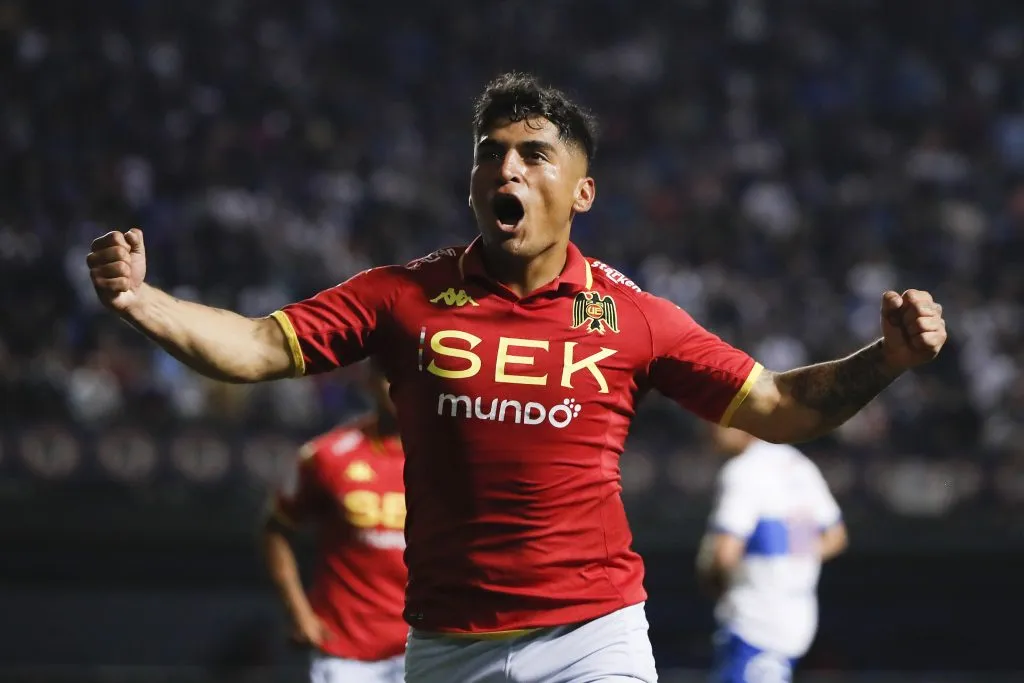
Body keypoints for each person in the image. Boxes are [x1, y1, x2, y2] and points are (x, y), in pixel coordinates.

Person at [85, 72, 947, 682]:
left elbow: (780, 405)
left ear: (582, 192)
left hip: (592, 636)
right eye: (490, 154)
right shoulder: (403, 296)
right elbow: (254, 347)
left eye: (534, 154)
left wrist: (890, 360)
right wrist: (143, 302)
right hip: (445, 646)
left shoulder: (632, 315)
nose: (507, 169)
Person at [262, 363, 407, 683]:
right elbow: (276, 530)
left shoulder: (456, 458)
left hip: (429, 647)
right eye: (389, 373)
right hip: (347, 654)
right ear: (370, 381)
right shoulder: (327, 455)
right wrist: (299, 612)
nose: (399, 384)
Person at [696, 425, 848, 683]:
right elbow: (836, 537)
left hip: (754, 618)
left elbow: (725, 553)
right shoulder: (799, 465)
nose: (712, 429)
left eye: (720, 420)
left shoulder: (743, 470)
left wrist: (712, 581)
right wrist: (793, 560)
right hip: (797, 617)